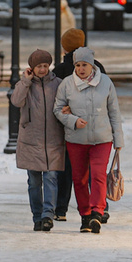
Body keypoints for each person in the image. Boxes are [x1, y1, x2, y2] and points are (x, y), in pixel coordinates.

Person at [53, 46, 123, 234]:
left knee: (98, 175)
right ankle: (85, 215)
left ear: (92, 65)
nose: (81, 69)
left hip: (102, 139)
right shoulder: (67, 84)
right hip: (76, 139)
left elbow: (114, 112)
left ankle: (97, 213)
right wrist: (73, 121)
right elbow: (57, 109)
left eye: (84, 65)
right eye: (77, 65)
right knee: (79, 179)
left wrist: (118, 139)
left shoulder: (105, 82)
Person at [52, 28, 106, 220]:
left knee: (66, 168)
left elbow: (55, 98)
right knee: (93, 168)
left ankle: (60, 209)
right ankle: (100, 207)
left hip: (68, 126)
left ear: (64, 47)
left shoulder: (60, 70)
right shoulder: (97, 67)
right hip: (93, 125)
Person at [9, 48, 66, 231]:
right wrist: (25, 81)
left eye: (45, 66)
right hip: (31, 140)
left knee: (51, 177)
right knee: (34, 182)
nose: (42, 69)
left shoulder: (58, 84)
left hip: (53, 140)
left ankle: (48, 215)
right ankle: (37, 216)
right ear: (31, 68)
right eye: (39, 66)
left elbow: (67, 103)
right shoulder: (24, 84)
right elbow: (16, 101)